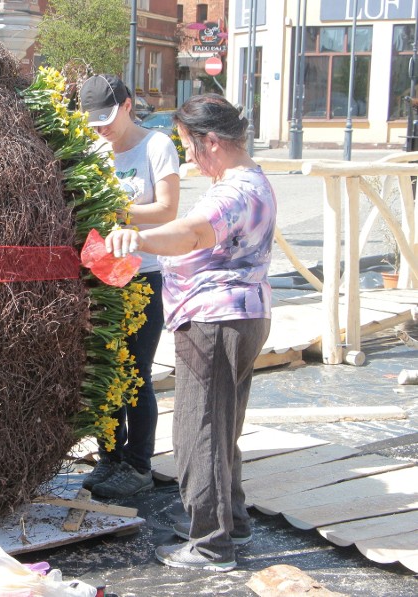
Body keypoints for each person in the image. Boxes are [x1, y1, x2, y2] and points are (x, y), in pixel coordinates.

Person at [104, 93, 276, 572]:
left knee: (199, 430)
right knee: (221, 429)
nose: (188, 159)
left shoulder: (233, 192)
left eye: (189, 147)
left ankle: (210, 544)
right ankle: (229, 523)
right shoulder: (253, 180)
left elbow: (192, 232)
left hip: (216, 321)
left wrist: (134, 237)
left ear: (213, 143)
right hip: (242, 316)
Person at [79, 74, 180, 498]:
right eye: (93, 121)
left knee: (136, 373)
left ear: (126, 106)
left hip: (144, 276)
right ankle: (110, 458)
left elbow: (168, 210)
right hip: (102, 275)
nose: (102, 129)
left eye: (107, 118)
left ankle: (138, 465)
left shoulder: (157, 146)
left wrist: (115, 210)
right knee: (103, 371)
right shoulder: (94, 150)